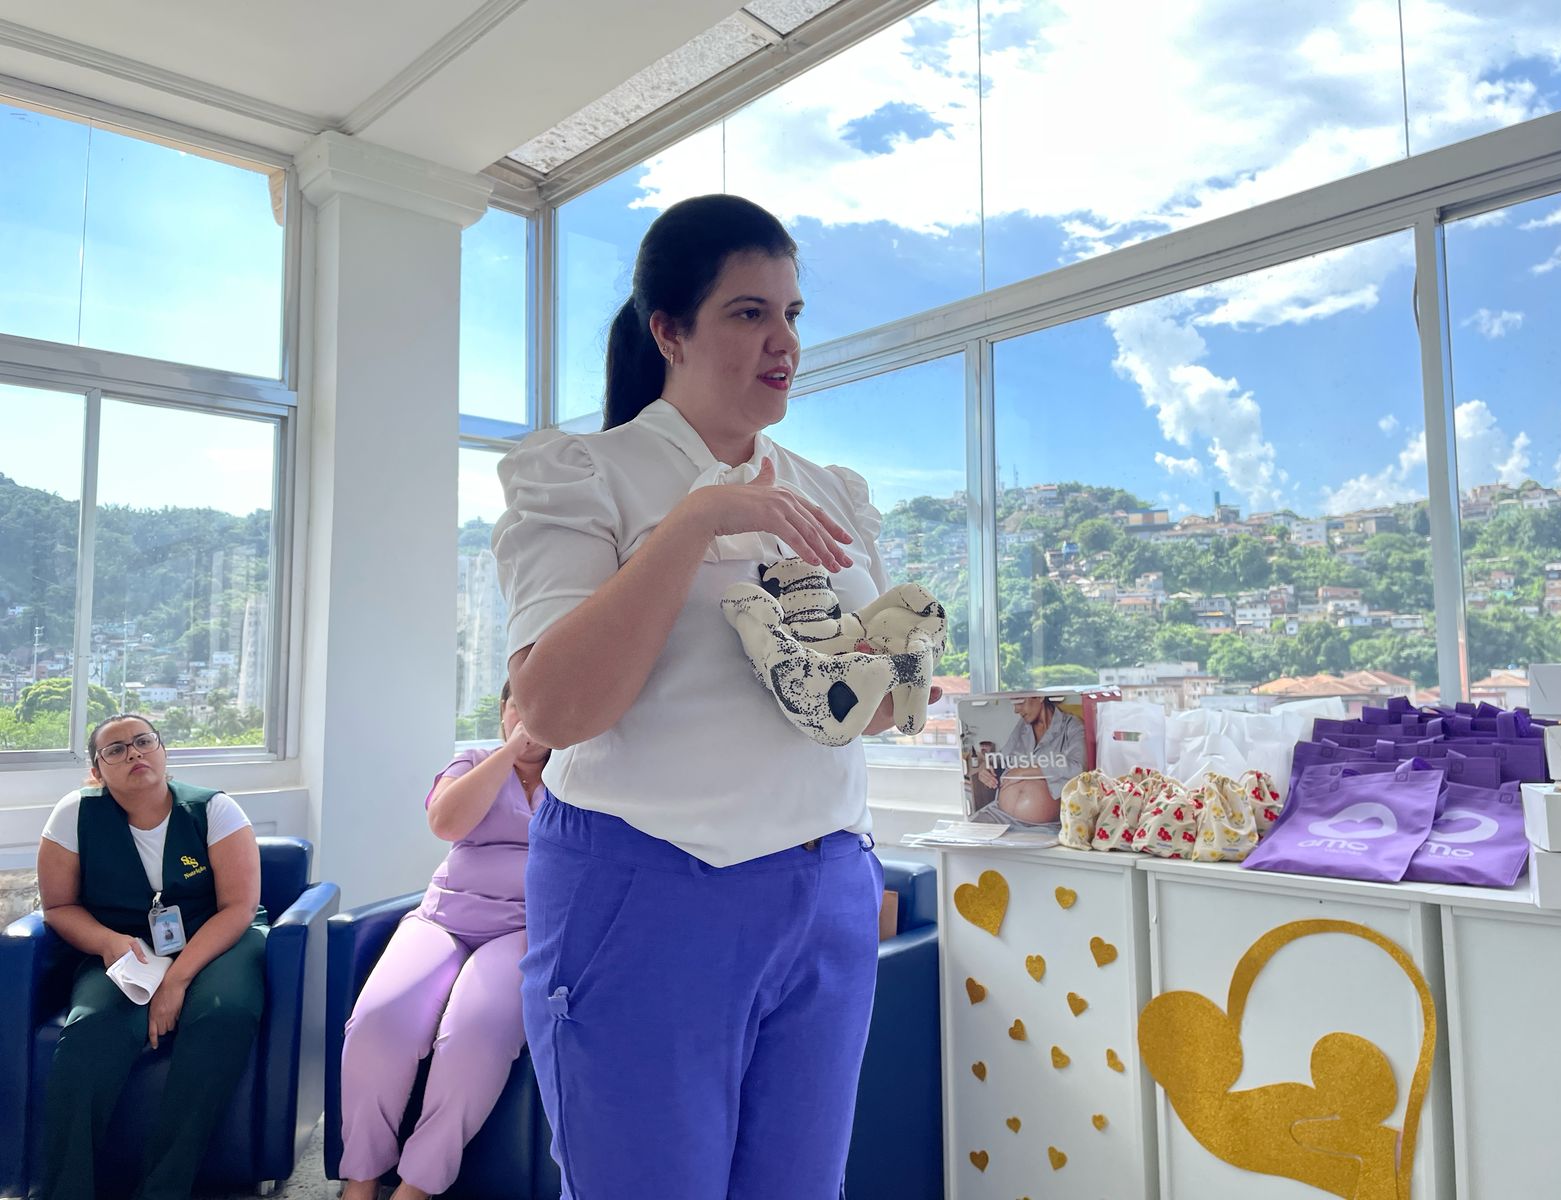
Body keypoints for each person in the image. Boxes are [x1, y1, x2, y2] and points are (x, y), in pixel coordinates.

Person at [493, 193, 936, 1199]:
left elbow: (862, 704)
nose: (784, 341)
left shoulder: (829, 490)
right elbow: (553, 711)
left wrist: (890, 678)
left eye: (792, 313)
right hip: (645, 888)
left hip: (826, 882)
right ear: (669, 330)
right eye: (748, 312)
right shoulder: (585, 473)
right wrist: (696, 524)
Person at [35, 714, 266, 1200]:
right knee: (90, 1030)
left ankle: (164, 1189)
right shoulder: (74, 815)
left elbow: (239, 907)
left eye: (143, 741)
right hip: (122, 945)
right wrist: (106, 942)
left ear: (163, 751)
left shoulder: (214, 809)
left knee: (222, 1016)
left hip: (217, 937)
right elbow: (58, 907)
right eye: (116, 749)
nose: (134, 753)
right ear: (97, 770)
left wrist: (176, 981)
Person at [338, 680, 547, 1200]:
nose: (531, 717)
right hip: (442, 920)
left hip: (524, 929)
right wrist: (508, 755)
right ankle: (360, 1179)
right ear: (504, 711)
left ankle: (418, 1185)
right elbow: (445, 822)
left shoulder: (580, 779)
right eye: (520, 704)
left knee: (475, 1036)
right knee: (377, 1022)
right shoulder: (472, 761)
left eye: (545, 707)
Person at [971, 695, 1085, 828]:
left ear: (1040, 697)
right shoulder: (1023, 725)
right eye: (1014, 703)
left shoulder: (1072, 726)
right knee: (966, 833)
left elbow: (1079, 767)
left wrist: (1024, 772)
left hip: (1043, 826)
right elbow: (1002, 756)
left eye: (1020, 702)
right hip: (999, 815)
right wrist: (986, 766)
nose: (1016, 710)